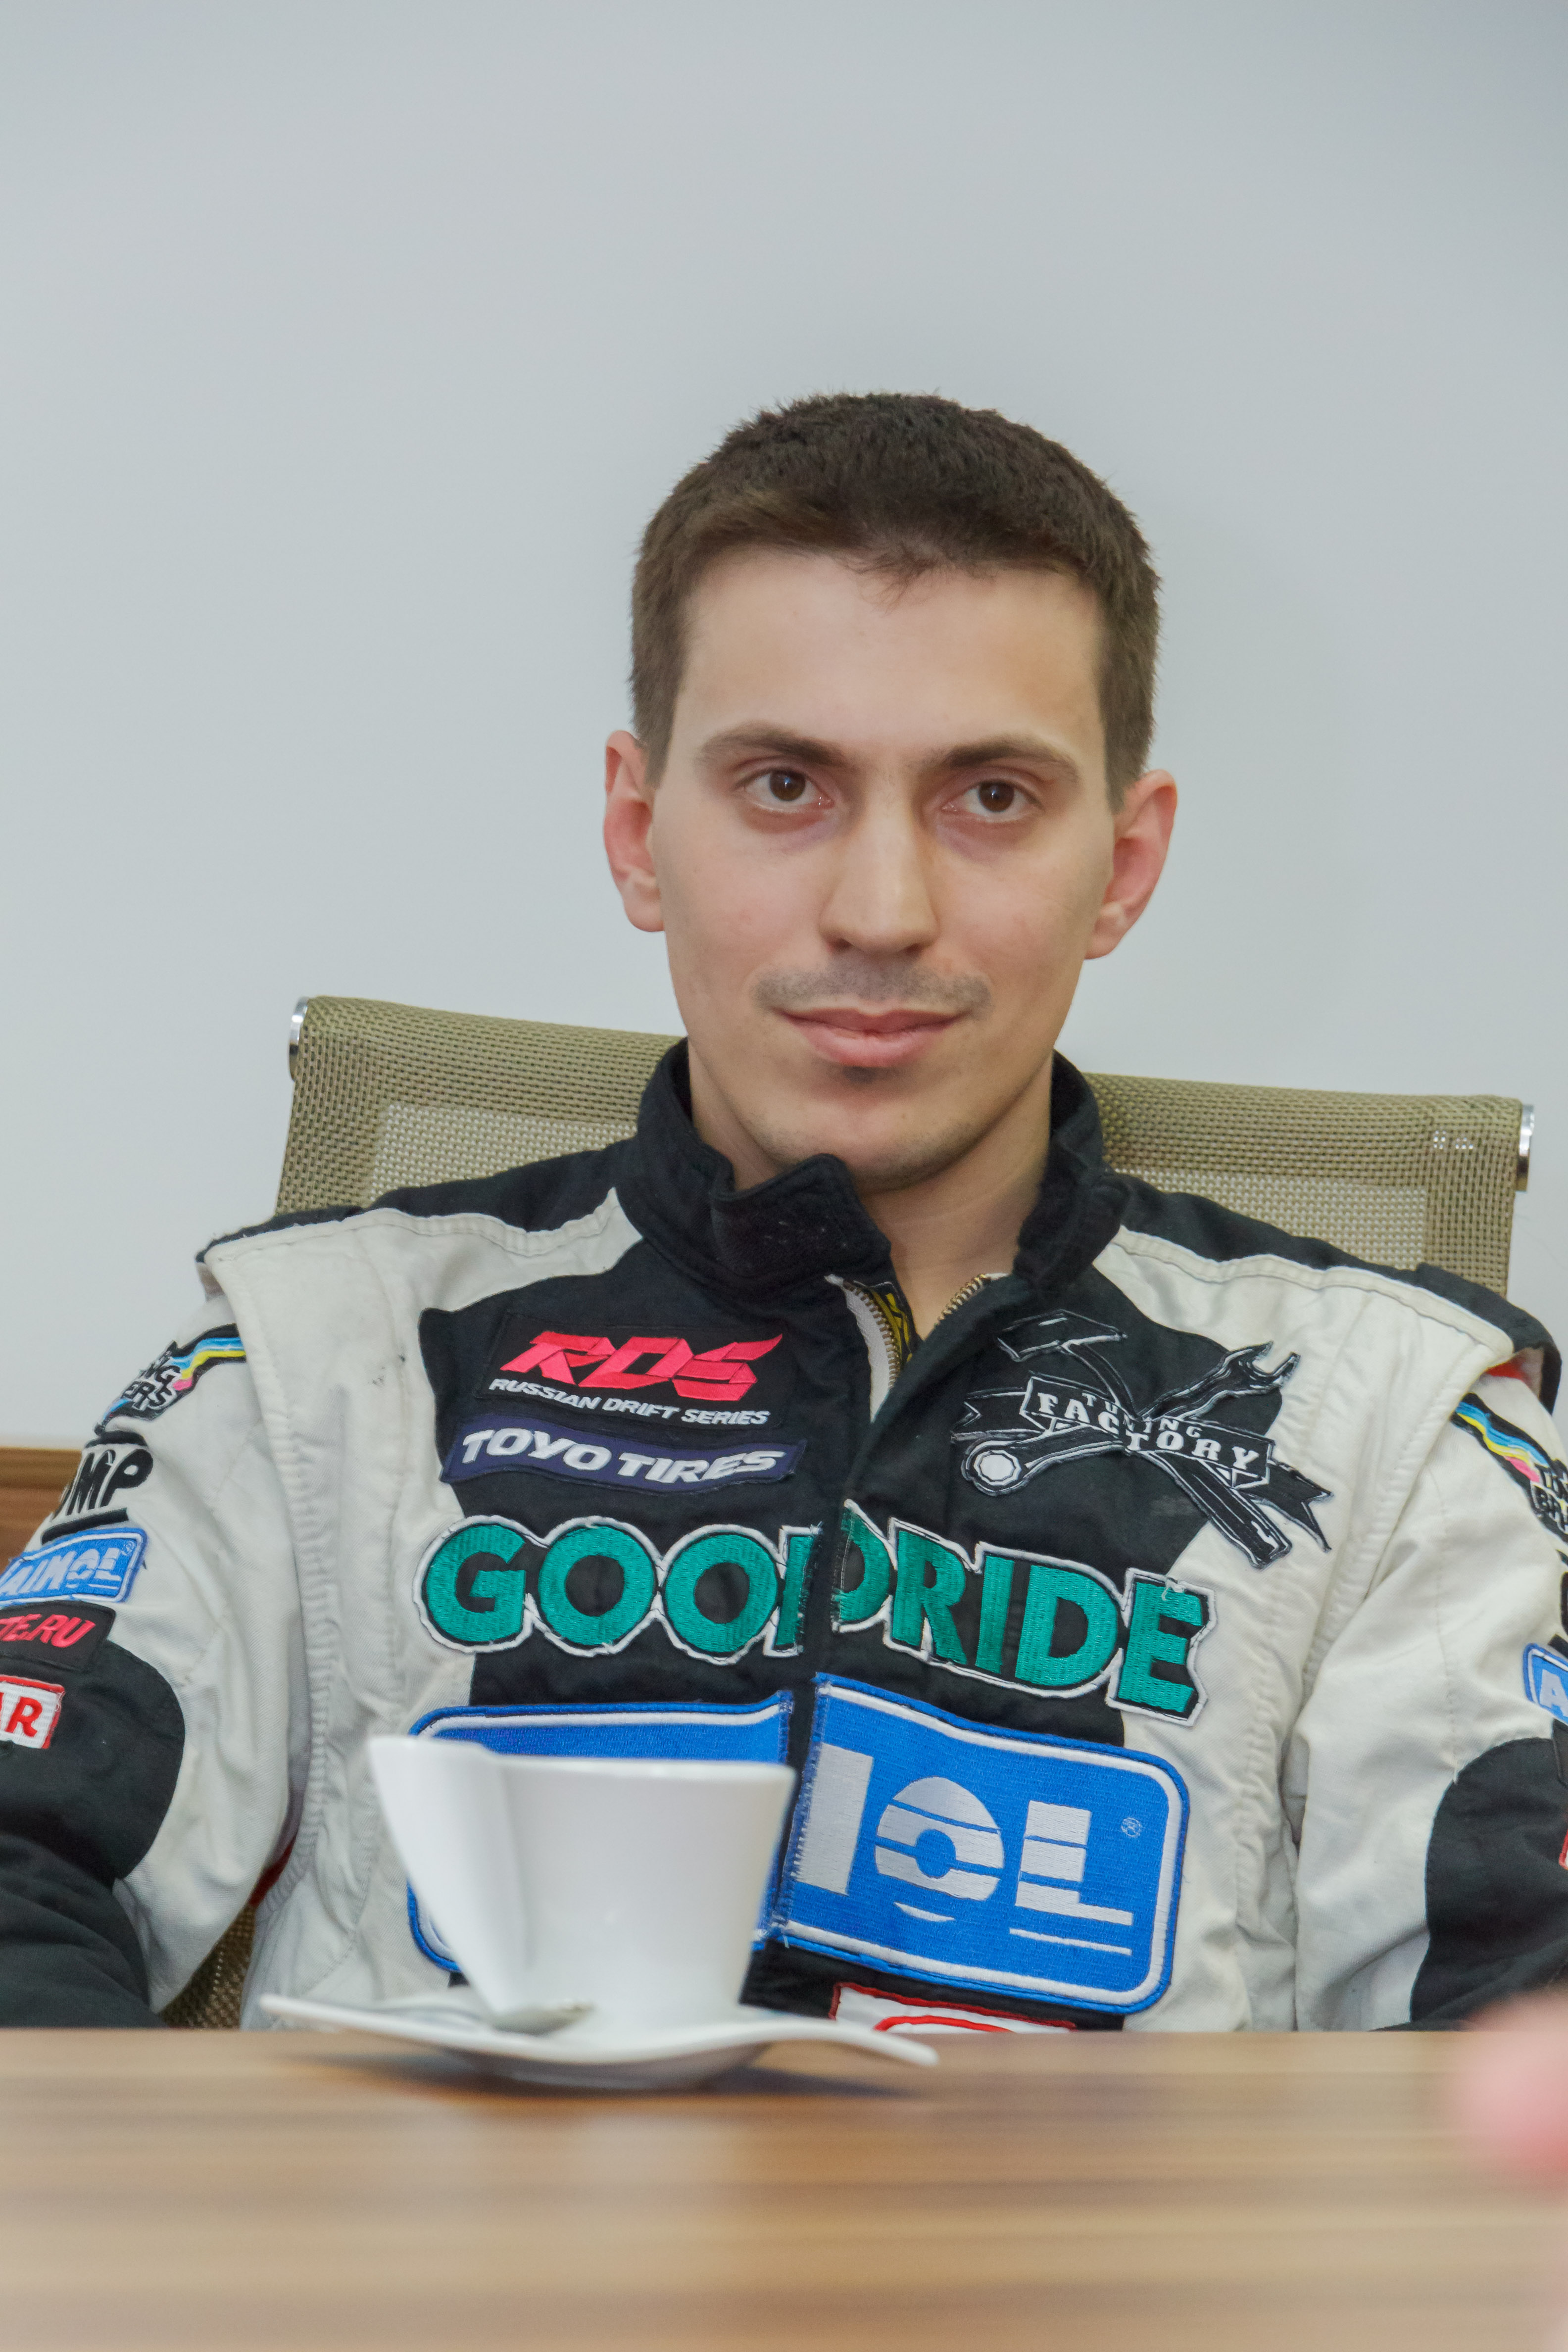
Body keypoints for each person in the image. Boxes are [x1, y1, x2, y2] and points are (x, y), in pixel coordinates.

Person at [3, 392, 1566, 2034]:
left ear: (1122, 863)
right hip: (427, 2219)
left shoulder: (1397, 1423)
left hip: (1108, 2220)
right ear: (639, 837)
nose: (881, 911)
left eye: (991, 797)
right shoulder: (319, 1355)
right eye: (783, 784)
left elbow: (1527, 2016)